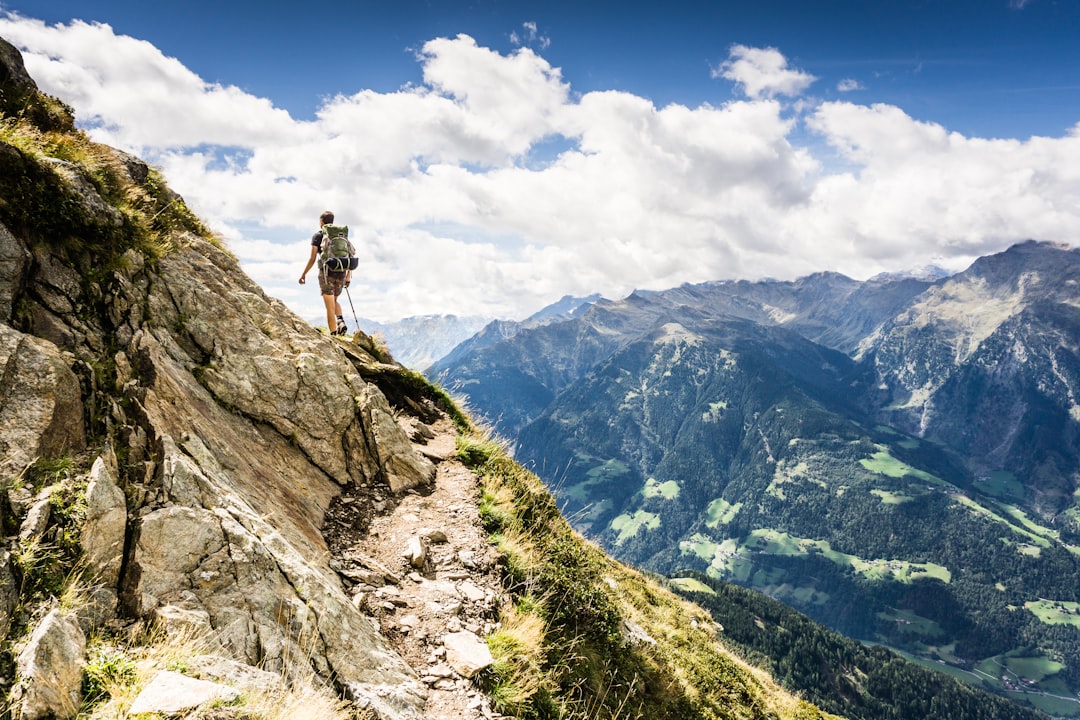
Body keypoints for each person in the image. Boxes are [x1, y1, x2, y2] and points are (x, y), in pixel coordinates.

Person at [299, 210, 352, 335]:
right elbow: (349, 256)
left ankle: (334, 334)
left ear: (321, 222)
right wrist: (348, 276)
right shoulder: (341, 236)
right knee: (334, 301)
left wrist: (303, 274)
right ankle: (340, 321)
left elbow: (312, 258)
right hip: (341, 271)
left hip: (326, 273)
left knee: (329, 306)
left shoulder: (318, 236)